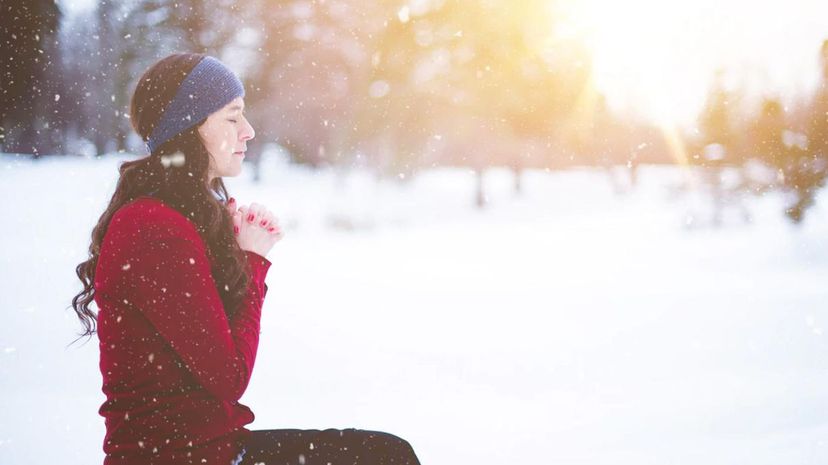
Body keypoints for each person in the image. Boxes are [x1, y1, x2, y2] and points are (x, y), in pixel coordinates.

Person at [70, 53, 422, 465]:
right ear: (189, 127)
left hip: (214, 450)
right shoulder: (154, 227)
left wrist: (235, 254)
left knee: (385, 454)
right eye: (232, 118)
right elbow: (227, 377)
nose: (249, 131)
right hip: (182, 458)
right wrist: (252, 261)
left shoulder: (175, 218)